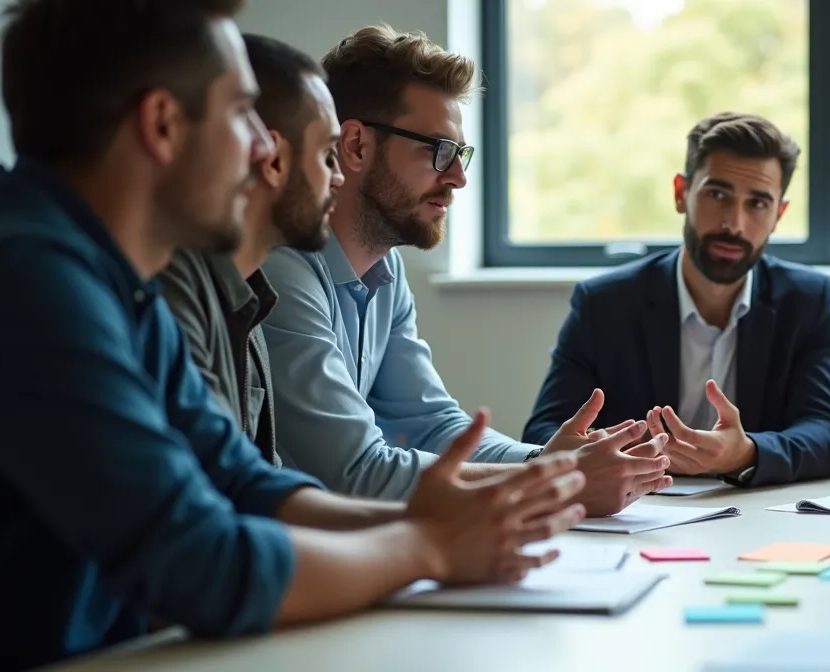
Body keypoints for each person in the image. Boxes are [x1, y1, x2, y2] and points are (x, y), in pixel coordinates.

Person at [0, 3, 584, 669]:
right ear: (162, 126)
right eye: (243, 113)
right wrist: (428, 547)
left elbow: (245, 482)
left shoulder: (114, 274)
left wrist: (441, 525)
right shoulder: (24, 278)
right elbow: (200, 560)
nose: (265, 146)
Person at [260, 24, 671, 512]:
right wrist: (555, 479)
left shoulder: (385, 273)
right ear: (355, 146)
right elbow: (354, 471)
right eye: (439, 151)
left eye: (460, 154)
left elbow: (434, 426)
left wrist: (551, 460)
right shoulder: (281, 270)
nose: (458, 178)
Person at [522, 112, 830, 487]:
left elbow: (829, 433)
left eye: (757, 203)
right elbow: (544, 433)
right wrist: (608, 453)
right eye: (717, 194)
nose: (734, 223)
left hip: (756, 509)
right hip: (637, 508)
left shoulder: (809, 300)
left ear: (779, 214)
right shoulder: (604, 303)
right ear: (681, 194)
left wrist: (745, 454)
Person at [160, 34, 344, 464]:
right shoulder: (173, 283)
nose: (338, 177)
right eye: (327, 155)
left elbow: (259, 484)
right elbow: (216, 497)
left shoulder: (251, 297)